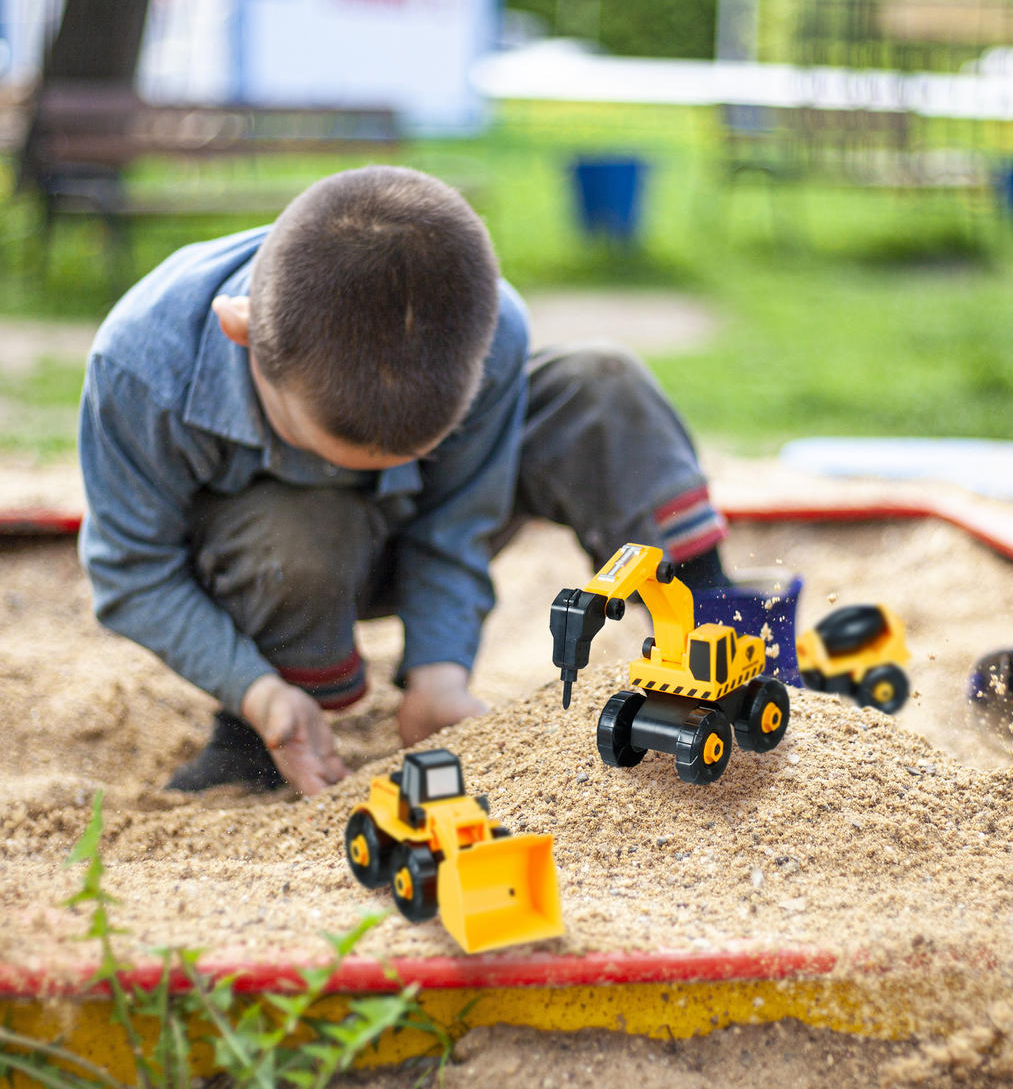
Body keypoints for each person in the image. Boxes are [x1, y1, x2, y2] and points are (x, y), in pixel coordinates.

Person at [78, 165, 733, 797]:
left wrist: (439, 676)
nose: (387, 477)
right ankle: (252, 737)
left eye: (420, 449)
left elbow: (457, 519)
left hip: (422, 530)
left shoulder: (495, 325)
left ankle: (721, 630)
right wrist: (258, 693)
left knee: (601, 384)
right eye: (323, 447)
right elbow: (132, 570)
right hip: (277, 559)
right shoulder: (141, 366)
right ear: (240, 331)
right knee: (300, 534)